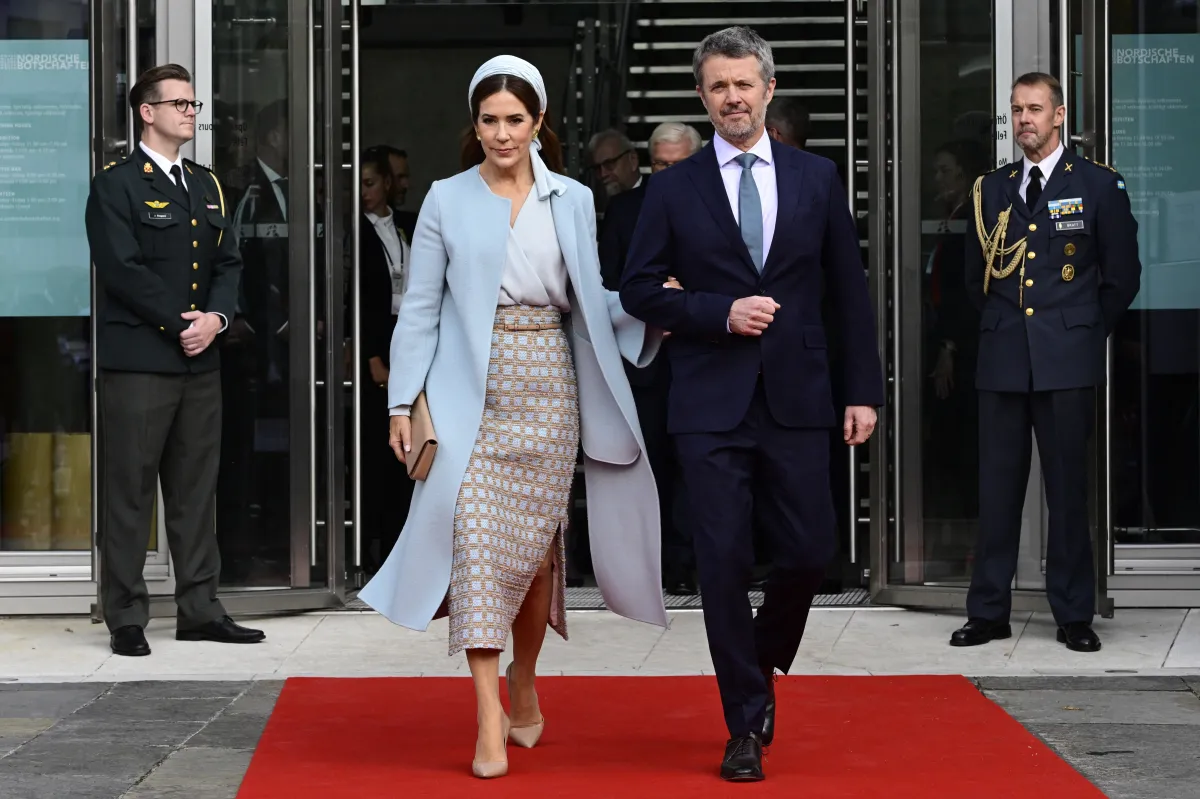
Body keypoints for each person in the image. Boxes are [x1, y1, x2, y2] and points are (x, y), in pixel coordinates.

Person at [356, 55, 669, 779]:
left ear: (539, 123)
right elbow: (420, 310)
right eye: (490, 120)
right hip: (469, 386)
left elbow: (590, 301)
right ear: (475, 124)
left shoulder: (573, 200)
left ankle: (524, 674)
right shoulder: (445, 198)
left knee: (534, 561)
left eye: (516, 120)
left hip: (548, 386)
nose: (502, 134)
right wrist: (403, 400)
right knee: (476, 549)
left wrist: (656, 310)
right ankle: (488, 713)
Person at [620, 27, 883, 782]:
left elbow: (848, 294)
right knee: (723, 561)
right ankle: (744, 721)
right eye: (717, 86)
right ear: (702, 97)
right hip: (708, 401)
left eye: (744, 83)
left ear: (768, 89)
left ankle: (759, 661)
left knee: (809, 553)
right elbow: (638, 288)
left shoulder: (816, 177)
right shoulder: (673, 188)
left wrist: (862, 389)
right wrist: (717, 311)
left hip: (800, 396)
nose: (732, 97)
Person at [950, 72, 1142, 653]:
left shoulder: (1098, 185)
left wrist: (1081, 335)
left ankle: (1073, 613)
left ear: (1059, 115)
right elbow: (974, 281)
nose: (1024, 120)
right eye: (1017, 110)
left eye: (1035, 109)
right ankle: (988, 610)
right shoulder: (992, 188)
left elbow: (1121, 277)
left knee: (1066, 491)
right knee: (998, 490)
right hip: (1004, 355)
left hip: (1066, 361)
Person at [84, 63, 265, 656]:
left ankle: (199, 608)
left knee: (194, 490)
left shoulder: (206, 184)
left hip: (199, 360)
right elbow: (122, 269)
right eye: (180, 103)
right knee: (130, 492)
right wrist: (180, 323)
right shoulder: (116, 185)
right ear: (148, 112)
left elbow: (228, 263)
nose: (191, 112)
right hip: (140, 361)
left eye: (193, 103)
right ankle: (127, 616)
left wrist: (214, 320)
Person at [598, 121, 703, 596]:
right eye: (659, 164)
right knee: (653, 464)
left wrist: (690, 297)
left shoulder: (718, 203)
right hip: (645, 360)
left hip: (705, 354)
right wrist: (654, 298)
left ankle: (693, 562)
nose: (666, 173)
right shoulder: (623, 210)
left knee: (700, 466)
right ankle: (655, 566)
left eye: (677, 164)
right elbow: (606, 281)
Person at [353, 148, 415, 572]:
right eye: (357, 184)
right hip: (375, 339)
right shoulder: (353, 229)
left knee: (409, 443)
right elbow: (357, 299)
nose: (364, 192)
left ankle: (404, 541)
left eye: (371, 183)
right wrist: (372, 353)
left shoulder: (407, 224)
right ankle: (375, 550)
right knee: (376, 447)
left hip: (409, 333)